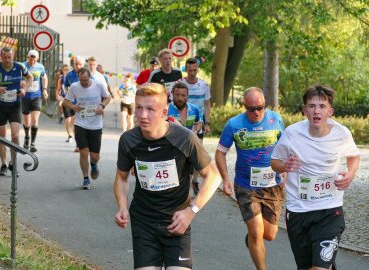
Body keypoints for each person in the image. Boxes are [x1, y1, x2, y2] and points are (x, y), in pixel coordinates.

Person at [114, 83, 222, 270]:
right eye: (139, 107)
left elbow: (213, 176)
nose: (142, 115)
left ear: (164, 112)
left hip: (176, 221)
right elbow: (121, 178)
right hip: (143, 221)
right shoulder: (128, 140)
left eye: (150, 109)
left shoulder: (185, 138)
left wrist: (192, 211)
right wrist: (122, 206)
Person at [271, 85, 360, 270]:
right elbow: (274, 161)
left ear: (330, 111)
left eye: (322, 106)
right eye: (311, 106)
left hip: (330, 211)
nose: (316, 111)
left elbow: (353, 155)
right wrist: (285, 165)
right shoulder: (292, 133)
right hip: (298, 212)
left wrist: (350, 174)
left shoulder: (341, 134)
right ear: (304, 110)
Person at [215, 87, 285, 270]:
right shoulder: (234, 124)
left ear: (265, 104)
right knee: (256, 232)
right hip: (246, 186)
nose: (256, 112)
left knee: (269, 234)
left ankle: (254, 237)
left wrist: (286, 172)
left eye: (260, 107)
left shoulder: (276, 119)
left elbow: (285, 147)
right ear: (244, 106)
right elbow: (220, 153)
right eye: (251, 108)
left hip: (272, 184)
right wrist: (226, 179)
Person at [0, 46, 33, 176]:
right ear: (1, 57)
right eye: (4, 58)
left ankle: (13, 163)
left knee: (15, 136)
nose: (7, 60)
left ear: (13, 56)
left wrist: (25, 89)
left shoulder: (19, 67)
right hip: (0, 105)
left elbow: (30, 78)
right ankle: (4, 164)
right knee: (1, 137)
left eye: (9, 57)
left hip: (15, 105)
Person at [63, 68, 111, 190]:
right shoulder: (74, 86)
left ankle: (94, 164)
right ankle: (85, 178)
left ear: (90, 77)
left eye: (86, 80)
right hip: (81, 123)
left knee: (94, 156)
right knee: (83, 152)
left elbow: (108, 97)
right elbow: (65, 101)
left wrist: (102, 106)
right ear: (78, 78)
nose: (83, 82)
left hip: (96, 124)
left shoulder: (98, 85)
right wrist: (73, 107)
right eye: (81, 80)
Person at [180, 57, 211, 194]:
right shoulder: (180, 84)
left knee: (197, 155)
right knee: (183, 155)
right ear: (186, 70)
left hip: (197, 124)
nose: (192, 73)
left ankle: (195, 180)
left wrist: (207, 123)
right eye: (190, 70)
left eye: (195, 70)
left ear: (198, 69)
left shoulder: (204, 85)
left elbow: (207, 104)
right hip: (181, 125)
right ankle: (184, 182)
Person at [21, 49, 48, 153]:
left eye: (34, 57)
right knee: (26, 121)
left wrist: (44, 90)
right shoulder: (22, 66)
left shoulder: (40, 66)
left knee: (35, 119)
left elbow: (44, 77)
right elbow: (17, 78)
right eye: (30, 57)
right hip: (25, 97)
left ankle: (33, 143)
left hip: (37, 96)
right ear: (27, 57)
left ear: (37, 58)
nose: (31, 59)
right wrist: (21, 82)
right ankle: (27, 137)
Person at [64, 56, 85, 152]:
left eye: (80, 64)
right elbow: (65, 86)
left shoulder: (87, 74)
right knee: (75, 123)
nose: (78, 66)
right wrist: (69, 96)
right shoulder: (69, 75)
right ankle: (78, 144)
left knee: (80, 124)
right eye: (76, 64)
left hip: (84, 104)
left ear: (83, 65)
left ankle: (80, 144)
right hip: (72, 103)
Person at [55, 64, 74, 142]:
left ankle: (73, 133)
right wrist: (57, 96)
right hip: (65, 100)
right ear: (62, 71)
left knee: (73, 120)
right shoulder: (61, 79)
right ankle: (69, 135)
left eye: (68, 69)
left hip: (74, 101)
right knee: (68, 120)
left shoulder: (74, 78)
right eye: (65, 69)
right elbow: (58, 89)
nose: (67, 71)